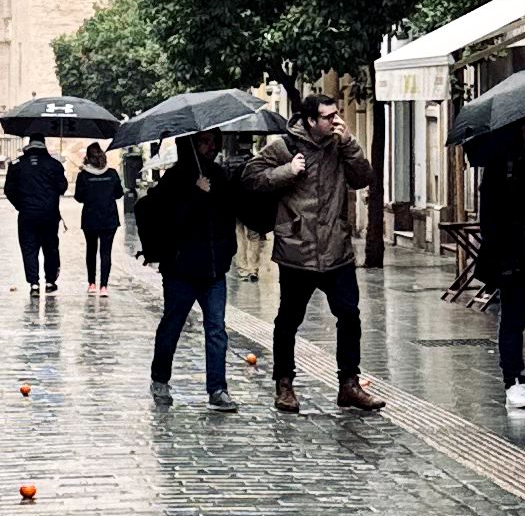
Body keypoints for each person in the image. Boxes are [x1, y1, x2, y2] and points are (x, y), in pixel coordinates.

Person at [254, 96, 386, 414]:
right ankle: (284, 384)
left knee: (349, 315)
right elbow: (252, 179)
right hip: (298, 251)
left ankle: (349, 384)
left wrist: (350, 142)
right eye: (329, 117)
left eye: (336, 115)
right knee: (288, 320)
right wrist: (287, 171)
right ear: (311, 120)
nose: (335, 121)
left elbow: (363, 178)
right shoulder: (283, 147)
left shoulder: (339, 145)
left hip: (336, 249)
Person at [136, 131, 240, 408]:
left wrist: (228, 250)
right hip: (181, 269)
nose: (211, 147)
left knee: (216, 329)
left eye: (213, 142)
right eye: (204, 142)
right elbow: (170, 223)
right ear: (191, 144)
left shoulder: (219, 175)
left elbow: (228, 215)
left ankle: (217, 389)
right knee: (172, 325)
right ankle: (160, 379)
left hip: (214, 268)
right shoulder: (174, 179)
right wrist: (196, 194)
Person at [473, 110, 525, 421]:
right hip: (513, 251)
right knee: (513, 315)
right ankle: (514, 381)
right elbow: (491, 214)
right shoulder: (501, 163)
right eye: (523, 128)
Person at [3, 128, 66, 295]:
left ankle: (34, 283)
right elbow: (63, 187)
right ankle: (50, 281)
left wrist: (20, 205)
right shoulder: (54, 164)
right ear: (43, 145)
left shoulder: (17, 164)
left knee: (29, 247)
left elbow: (9, 190)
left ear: (29, 145)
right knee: (50, 246)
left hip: (27, 214)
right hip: (49, 214)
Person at [74, 141, 124, 292]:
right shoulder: (112, 173)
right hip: (109, 218)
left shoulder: (83, 175)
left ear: (88, 158)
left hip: (90, 218)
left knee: (91, 250)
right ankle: (104, 286)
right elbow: (119, 194)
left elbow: (79, 197)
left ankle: (91, 284)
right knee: (106, 252)